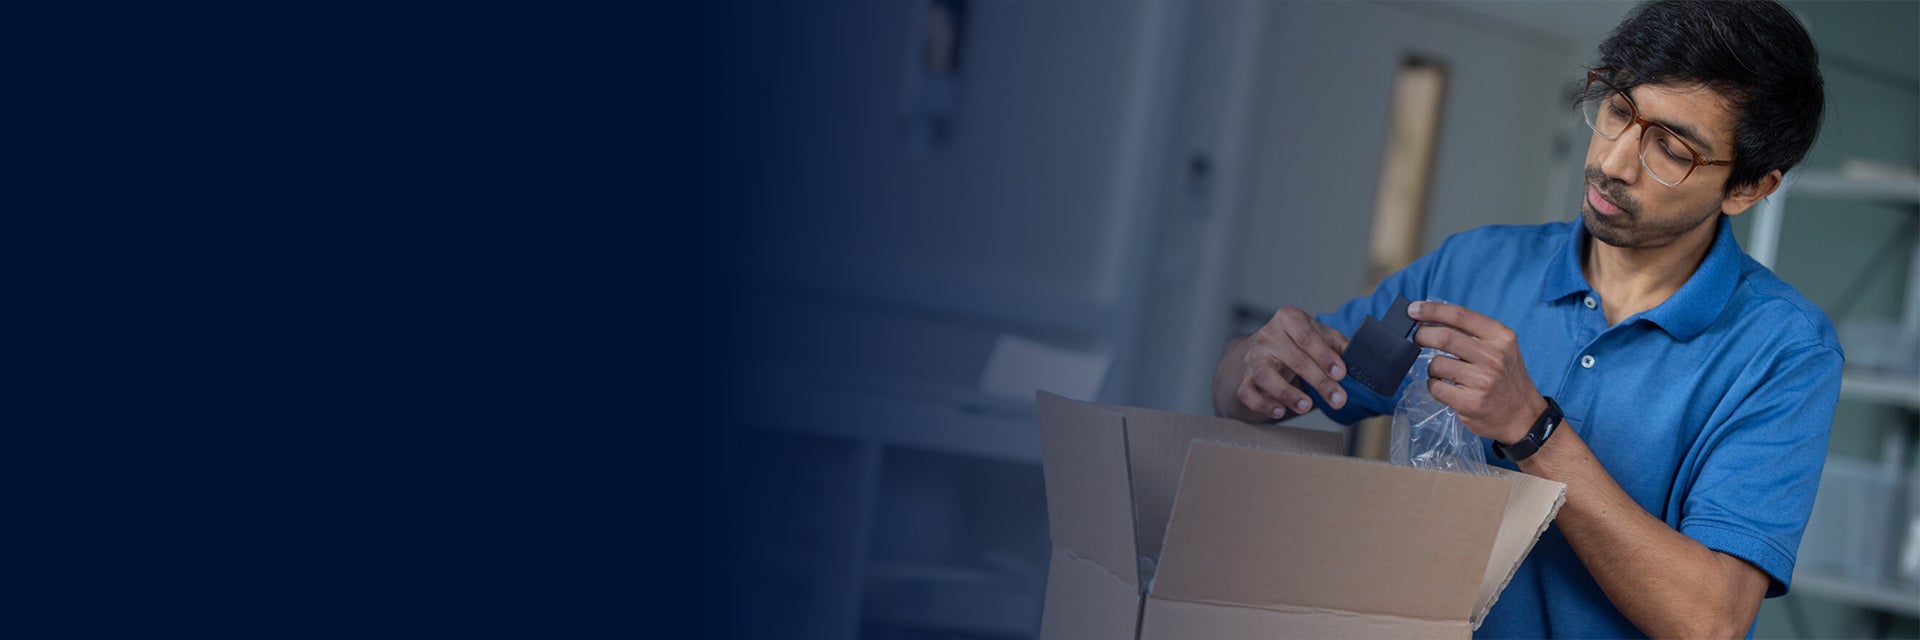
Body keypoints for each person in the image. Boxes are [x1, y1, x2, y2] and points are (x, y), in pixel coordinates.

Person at [1211, 1, 1837, 637]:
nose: (1614, 163)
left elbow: (1711, 621)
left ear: (1749, 189)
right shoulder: (1473, 265)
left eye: (1670, 150)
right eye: (1618, 110)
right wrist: (1252, 365)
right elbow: (1271, 386)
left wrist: (1533, 430)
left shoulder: (1784, 350)